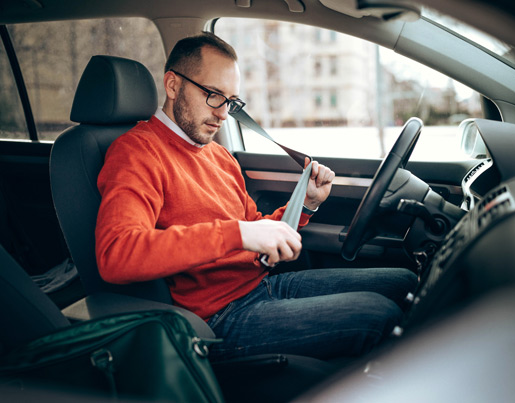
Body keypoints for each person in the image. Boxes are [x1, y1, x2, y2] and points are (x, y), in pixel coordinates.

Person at [95, 32, 417, 361]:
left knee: (405, 282)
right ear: (173, 85)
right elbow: (117, 255)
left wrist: (305, 204)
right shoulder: (137, 152)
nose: (223, 114)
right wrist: (237, 234)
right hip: (217, 318)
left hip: (263, 285)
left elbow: (253, 233)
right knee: (378, 314)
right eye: (213, 95)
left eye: (231, 101)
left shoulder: (218, 156)